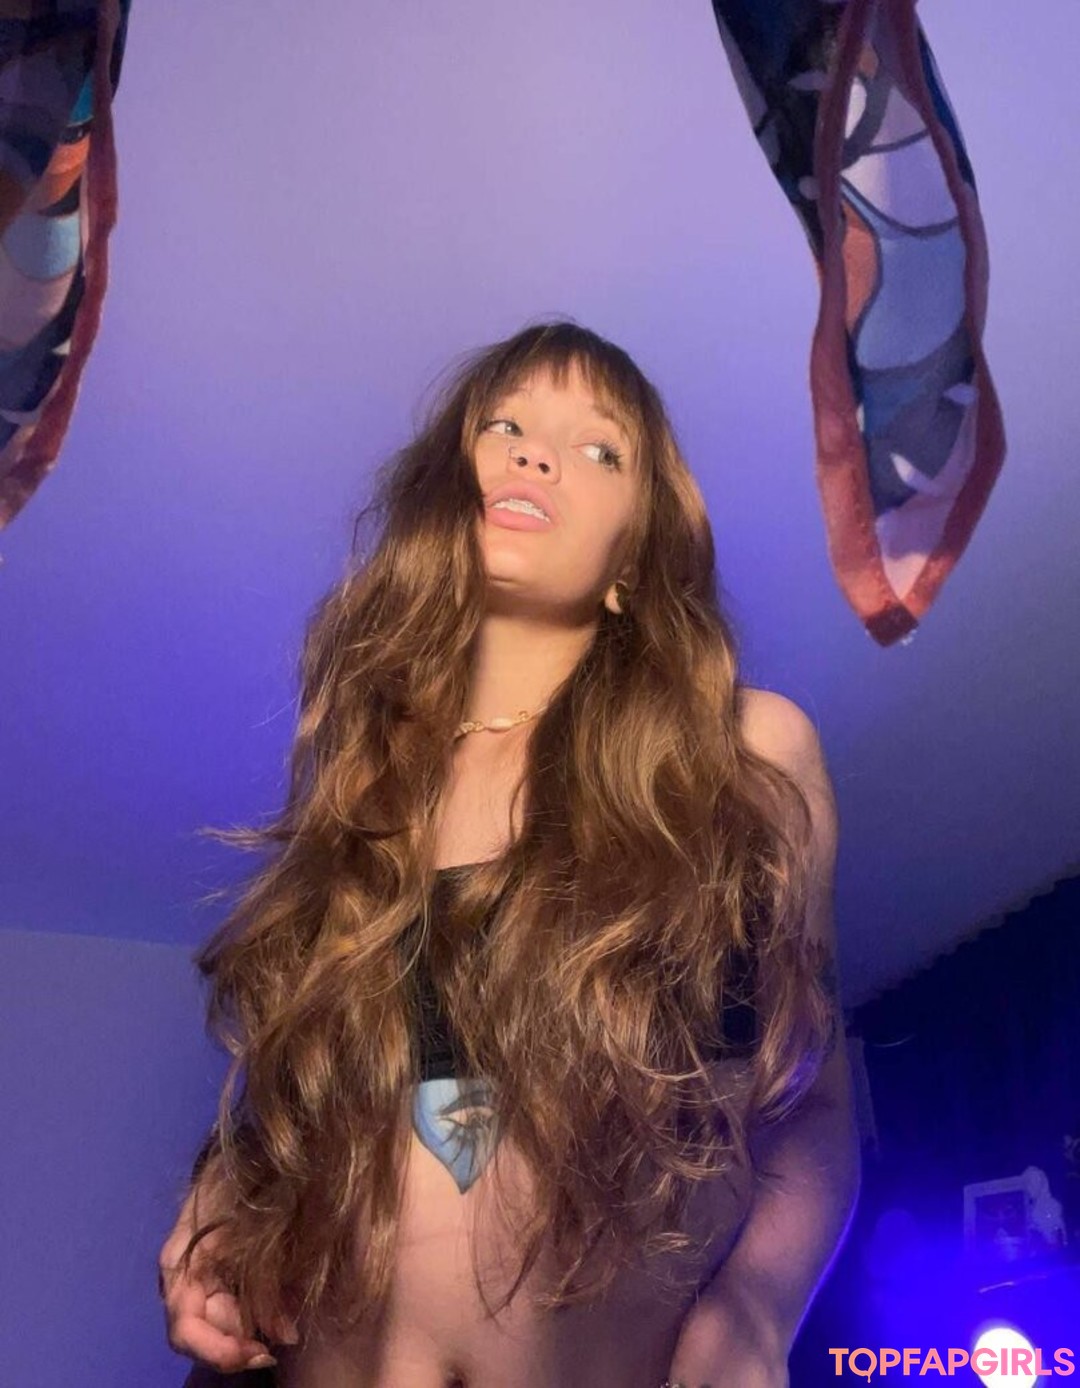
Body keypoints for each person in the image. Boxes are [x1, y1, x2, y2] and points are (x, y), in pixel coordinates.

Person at [158, 320, 860, 1388]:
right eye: (505, 426)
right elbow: (299, 1114)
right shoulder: (365, 788)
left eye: (598, 448)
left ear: (634, 558)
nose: (536, 454)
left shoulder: (738, 759)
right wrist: (218, 1201)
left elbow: (810, 1112)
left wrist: (758, 1308)